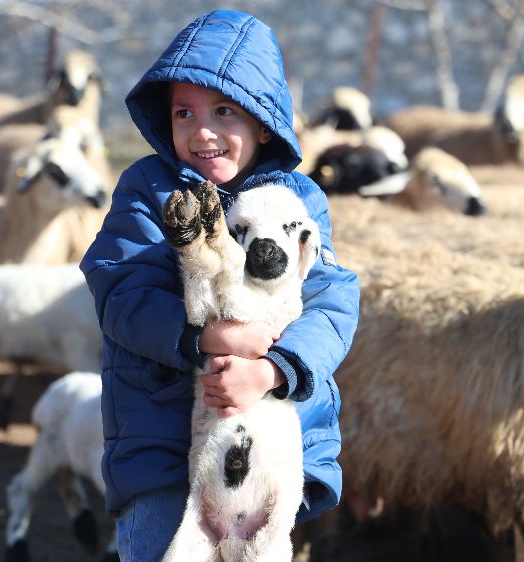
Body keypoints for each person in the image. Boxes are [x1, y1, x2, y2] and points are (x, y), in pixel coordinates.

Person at [79, 9, 360, 561]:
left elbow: (332, 299)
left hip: (269, 446)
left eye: (224, 111)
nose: (201, 131)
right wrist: (208, 340)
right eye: (184, 113)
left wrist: (274, 369)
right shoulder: (147, 189)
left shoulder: (299, 200)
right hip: (163, 447)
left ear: (262, 120)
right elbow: (121, 291)